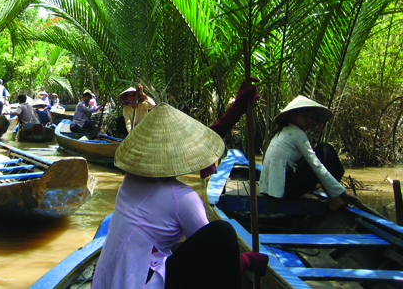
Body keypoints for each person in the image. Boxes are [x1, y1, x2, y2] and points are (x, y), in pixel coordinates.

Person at [92, 104, 268, 289]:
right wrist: (246, 261)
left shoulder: (130, 179)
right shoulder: (183, 198)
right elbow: (214, 256)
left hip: (107, 280)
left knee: (179, 247)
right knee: (223, 233)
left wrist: (238, 107)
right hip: (139, 284)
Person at [259, 95, 361, 211]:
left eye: (312, 117)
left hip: (271, 189)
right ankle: (334, 198)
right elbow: (315, 164)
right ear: (293, 116)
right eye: (305, 116)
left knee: (316, 154)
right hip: (286, 190)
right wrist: (343, 192)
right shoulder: (296, 132)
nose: (310, 120)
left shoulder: (283, 131)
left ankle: (332, 193)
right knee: (325, 150)